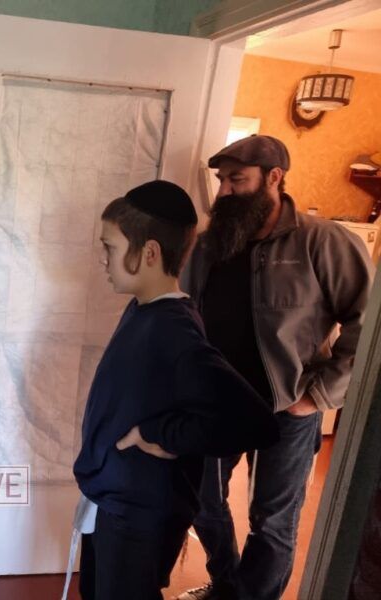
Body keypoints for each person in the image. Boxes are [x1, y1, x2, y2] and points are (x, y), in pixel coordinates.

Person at [177, 135, 374, 600]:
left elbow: (367, 323)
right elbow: (185, 314)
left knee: (272, 522)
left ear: (274, 177)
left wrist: (318, 396)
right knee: (200, 501)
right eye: (222, 180)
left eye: (237, 180)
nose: (225, 191)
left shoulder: (322, 242)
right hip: (218, 404)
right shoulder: (209, 246)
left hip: (288, 409)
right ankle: (228, 584)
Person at [73, 180, 278, 600]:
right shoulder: (143, 309)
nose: (103, 258)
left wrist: (162, 435)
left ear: (149, 253)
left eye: (110, 247)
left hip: (140, 516)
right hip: (115, 501)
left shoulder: (174, 329)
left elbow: (256, 422)